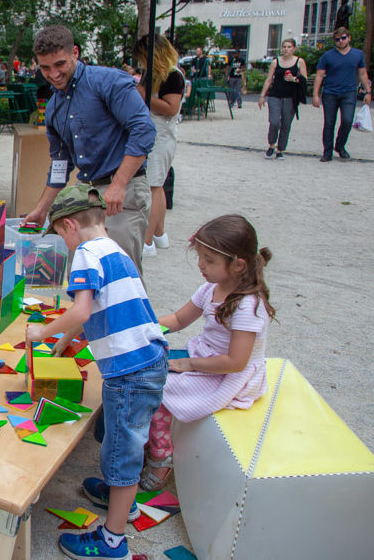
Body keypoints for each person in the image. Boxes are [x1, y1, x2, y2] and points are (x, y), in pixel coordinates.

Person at [25, 184, 167, 560]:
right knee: (124, 443)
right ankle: (124, 500)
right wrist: (62, 342)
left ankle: (113, 540)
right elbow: (91, 310)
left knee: (121, 452)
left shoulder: (85, 255)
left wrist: (42, 332)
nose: (64, 244)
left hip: (129, 372)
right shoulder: (114, 249)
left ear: (70, 226)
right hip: (147, 361)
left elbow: (83, 310)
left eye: (59, 235)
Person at [140, 214, 274, 492]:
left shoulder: (248, 306)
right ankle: (148, 440)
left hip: (230, 376)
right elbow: (178, 320)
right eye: (200, 257)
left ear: (238, 265)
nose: (201, 265)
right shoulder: (211, 288)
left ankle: (161, 456)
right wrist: (142, 325)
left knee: (157, 389)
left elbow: (236, 362)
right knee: (144, 367)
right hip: (206, 358)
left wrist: (188, 364)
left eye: (209, 260)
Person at [23, 25, 156, 275]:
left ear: (75, 52)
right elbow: (60, 164)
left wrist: (119, 183)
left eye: (60, 64)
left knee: (122, 274)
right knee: (87, 275)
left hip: (123, 191)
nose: (53, 74)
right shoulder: (53, 107)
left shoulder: (107, 80)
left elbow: (144, 129)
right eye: (45, 68)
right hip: (88, 194)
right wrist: (41, 209)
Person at [130, 34, 183, 259]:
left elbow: (171, 108)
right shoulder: (156, 75)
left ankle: (148, 239)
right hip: (155, 134)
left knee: (153, 187)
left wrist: (144, 96)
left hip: (161, 136)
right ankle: (159, 233)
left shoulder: (173, 76)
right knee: (157, 185)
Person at [312, 26, 371, 161]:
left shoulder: (357, 54)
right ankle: (327, 152)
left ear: (349, 38)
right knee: (329, 123)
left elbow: (362, 73)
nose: (341, 41)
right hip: (330, 93)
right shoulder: (327, 56)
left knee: (347, 120)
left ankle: (340, 145)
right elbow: (319, 75)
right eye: (338, 39)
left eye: (343, 38)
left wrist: (368, 91)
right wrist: (316, 94)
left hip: (348, 92)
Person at [257, 38, 307, 160]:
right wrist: (262, 96)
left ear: (294, 48)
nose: (286, 49)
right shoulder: (275, 62)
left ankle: (280, 149)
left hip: (290, 97)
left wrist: (295, 79)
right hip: (275, 95)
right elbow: (269, 79)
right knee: (274, 122)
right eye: (284, 47)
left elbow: (305, 80)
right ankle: (272, 144)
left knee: (286, 124)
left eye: (289, 47)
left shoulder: (299, 62)